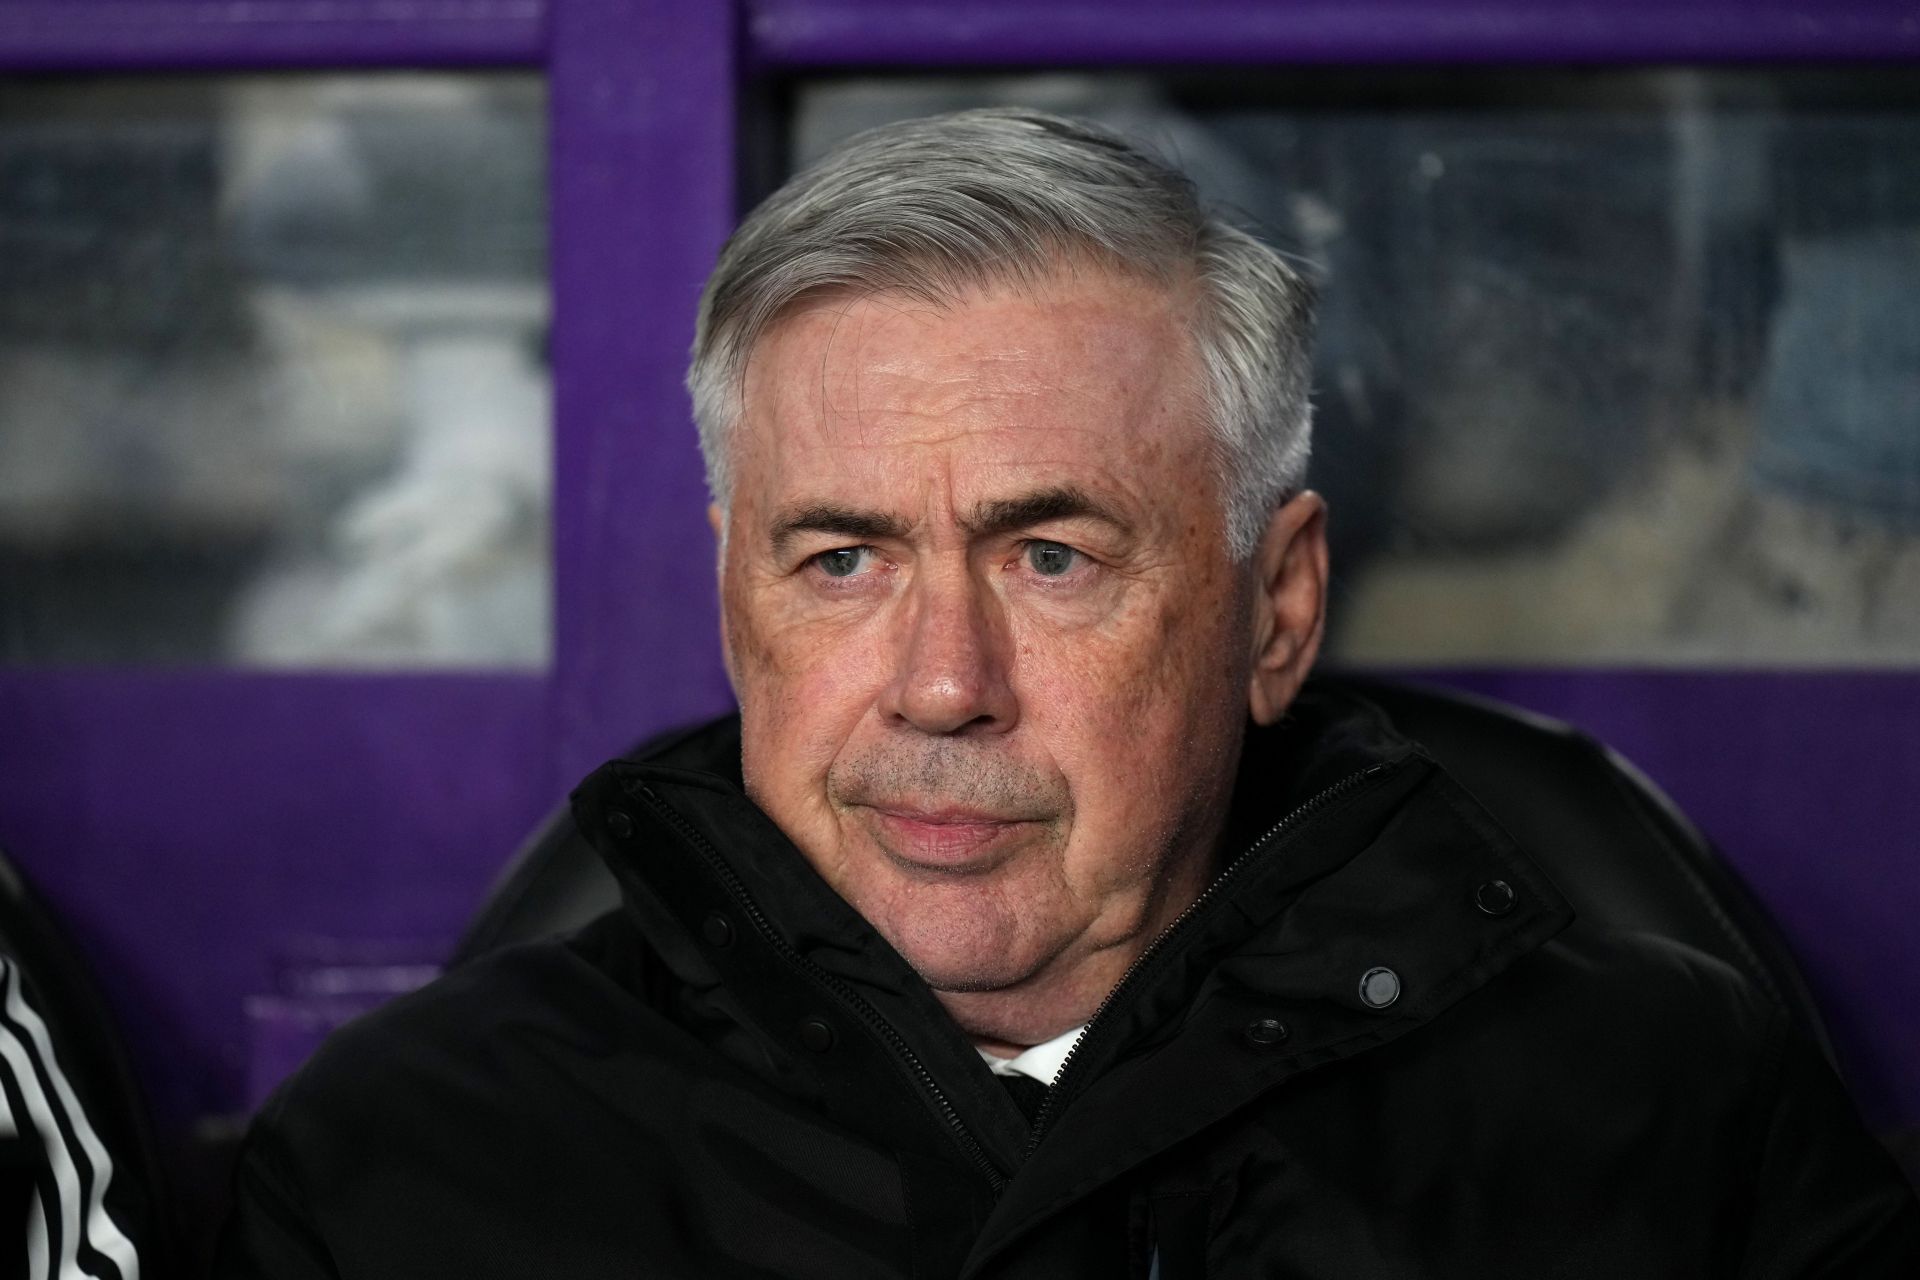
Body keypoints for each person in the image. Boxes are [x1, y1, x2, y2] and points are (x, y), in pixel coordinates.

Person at [212, 109, 1920, 1278]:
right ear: (738, 609)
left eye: (1053, 558)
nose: (945, 687)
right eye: (842, 563)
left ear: (1279, 609)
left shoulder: (1663, 1116)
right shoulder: (398, 1173)